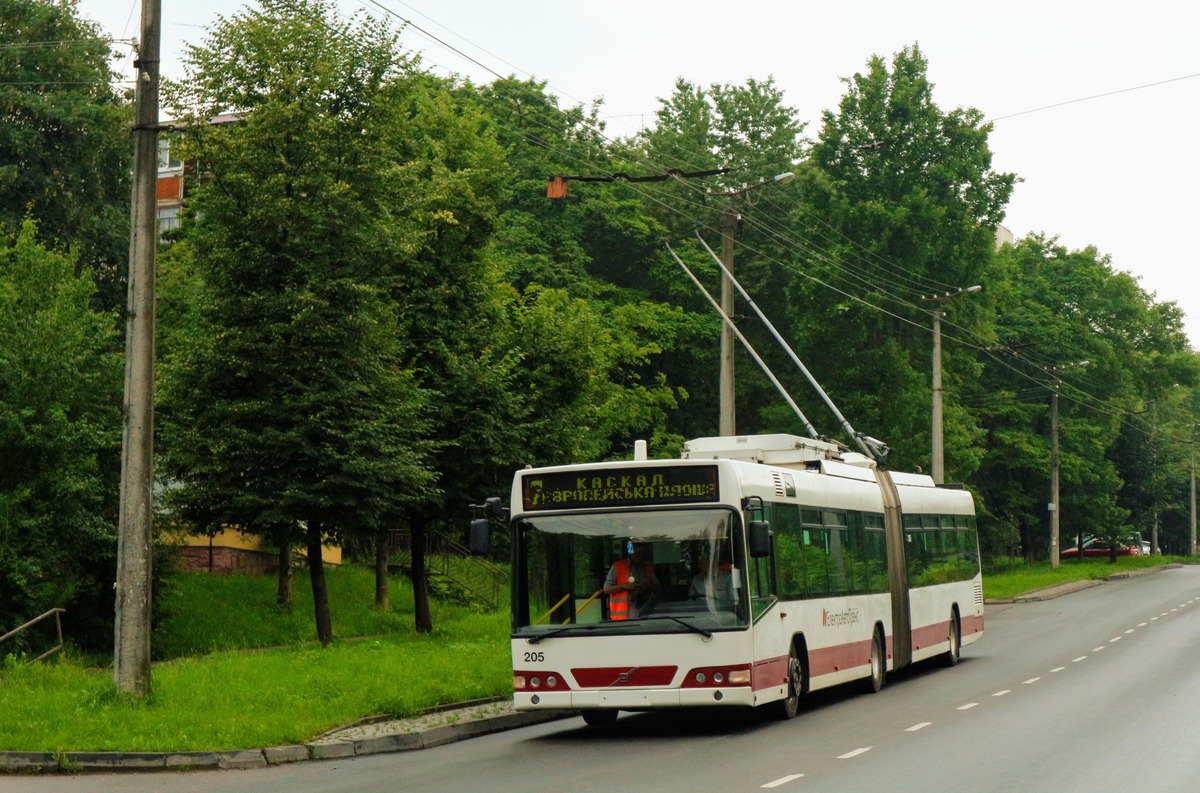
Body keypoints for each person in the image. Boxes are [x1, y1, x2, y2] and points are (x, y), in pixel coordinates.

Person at [604, 543, 659, 620]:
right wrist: (624, 586)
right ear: (630, 554)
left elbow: (657, 587)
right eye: (637, 553)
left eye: (642, 554)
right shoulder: (618, 566)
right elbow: (606, 590)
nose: (639, 556)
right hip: (623, 618)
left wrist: (645, 586)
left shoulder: (647, 567)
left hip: (645, 613)